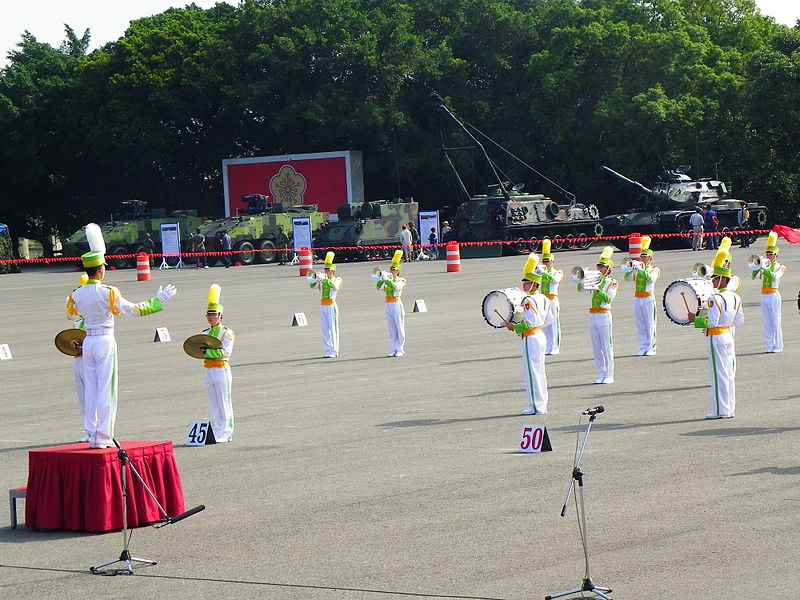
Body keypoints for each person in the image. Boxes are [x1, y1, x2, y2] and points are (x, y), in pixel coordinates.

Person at [66, 224, 177, 448]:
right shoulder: (108, 292)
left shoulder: (76, 294)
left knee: (91, 389)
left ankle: (91, 432)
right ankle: (103, 436)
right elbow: (133, 310)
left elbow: (71, 315)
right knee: (107, 389)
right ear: (100, 270)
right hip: (105, 340)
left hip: (88, 341)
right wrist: (158, 302)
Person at [688, 237, 743, 418]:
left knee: (717, 375)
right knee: (728, 374)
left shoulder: (715, 299)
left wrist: (695, 319)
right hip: (728, 334)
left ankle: (720, 411)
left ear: (721, 280)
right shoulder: (735, 297)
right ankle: (730, 408)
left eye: (714, 279)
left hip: (716, 337)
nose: (712, 282)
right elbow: (739, 320)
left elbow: (710, 322)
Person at [507, 252, 551, 415]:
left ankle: (535, 406)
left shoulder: (528, 300)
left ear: (533, 284)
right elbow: (549, 320)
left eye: (526, 283)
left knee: (531, 372)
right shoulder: (545, 298)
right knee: (539, 371)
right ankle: (542, 404)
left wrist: (515, 327)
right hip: (540, 335)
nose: (523, 286)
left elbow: (528, 323)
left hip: (531, 337)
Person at [578, 246, 617, 384]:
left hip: (604, 314)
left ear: (608, 270)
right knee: (596, 347)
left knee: (606, 346)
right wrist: (581, 280)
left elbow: (608, 298)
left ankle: (609, 374)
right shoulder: (595, 280)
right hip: (593, 315)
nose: (599, 269)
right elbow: (580, 289)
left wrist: (598, 289)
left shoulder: (612, 282)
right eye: (598, 266)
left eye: (602, 267)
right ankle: (600, 373)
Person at [201, 284, 235, 442]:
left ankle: (227, 432)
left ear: (221, 316)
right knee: (213, 403)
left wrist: (207, 352)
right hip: (209, 370)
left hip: (221, 370)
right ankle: (217, 430)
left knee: (224, 402)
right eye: (208, 315)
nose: (210, 318)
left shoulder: (226, 332)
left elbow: (226, 352)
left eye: (213, 315)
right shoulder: (205, 333)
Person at [623, 236, 660, 355]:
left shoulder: (654, 269)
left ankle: (651, 347)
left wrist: (640, 269)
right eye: (641, 257)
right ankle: (643, 346)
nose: (642, 259)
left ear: (650, 258)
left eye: (645, 257)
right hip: (637, 298)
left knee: (650, 323)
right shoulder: (638, 269)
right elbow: (627, 279)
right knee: (641, 324)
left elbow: (649, 279)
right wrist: (629, 270)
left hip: (648, 298)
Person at [752, 231, 786, 353]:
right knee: (767, 322)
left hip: (773, 294)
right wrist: (757, 267)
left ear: (776, 255)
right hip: (764, 295)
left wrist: (764, 268)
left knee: (775, 320)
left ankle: (778, 345)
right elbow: (753, 276)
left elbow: (774, 277)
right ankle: (770, 344)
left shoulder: (780, 267)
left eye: (771, 254)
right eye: (767, 254)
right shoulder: (764, 265)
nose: (768, 256)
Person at [65, 274, 90, 442]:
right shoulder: (79, 321)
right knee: (83, 397)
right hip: (78, 360)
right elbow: (69, 315)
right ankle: (88, 431)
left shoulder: (94, 318)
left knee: (94, 395)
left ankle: (99, 431)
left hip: (90, 360)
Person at [308, 251, 342, 358]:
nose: (326, 272)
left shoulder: (337, 279)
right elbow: (312, 285)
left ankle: (334, 350)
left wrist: (325, 280)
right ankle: (327, 350)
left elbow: (335, 287)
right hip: (323, 306)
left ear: (333, 271)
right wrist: (317, 279)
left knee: (333, 329)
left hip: (331, 305)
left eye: (329, 270)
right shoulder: (322, 281)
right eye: (325, 270)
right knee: (325, 329)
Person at [375, 250, 407, 357]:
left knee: (399, 326)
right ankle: (393, 347)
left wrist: (388, 280)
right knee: (392, 327)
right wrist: (382, 279)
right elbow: (378, 287)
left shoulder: (401, 280)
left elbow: (396, 287)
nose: (392, 271)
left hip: (397, 304)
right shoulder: (388, 280)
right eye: (391, 269)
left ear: (397, 271)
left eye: (394, 269)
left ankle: (400, 348)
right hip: (388, 304)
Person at [539, 238, 562, 355]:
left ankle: (555, 347)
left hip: (552, 299)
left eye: (548, 261)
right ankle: (546, 346)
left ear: (553, 262)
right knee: (544, 324)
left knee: (554, 324)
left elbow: (554, 280)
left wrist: (543, 273)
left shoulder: (557, 272)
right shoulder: (541, 272)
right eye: (544, 261)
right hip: (543, 299)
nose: (546, 264)